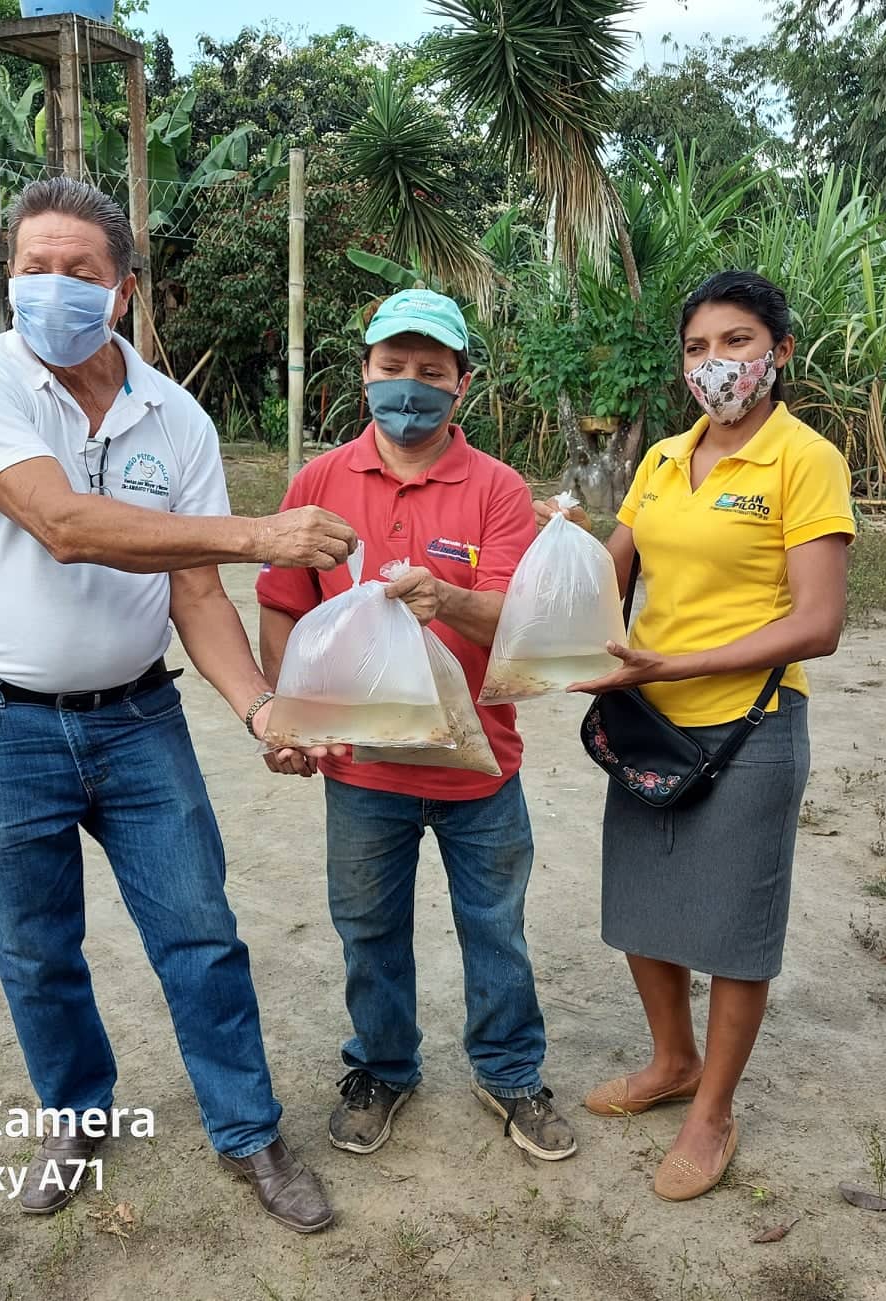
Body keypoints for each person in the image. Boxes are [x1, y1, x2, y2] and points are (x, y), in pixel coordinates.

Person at [0, 176, 357, 1233]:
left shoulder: (177, 418)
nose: (53, 286)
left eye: (79, 270)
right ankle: (75, 1115)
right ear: (8, 276)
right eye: (33, 267)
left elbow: (195, 593)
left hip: (136, 720)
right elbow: (65, 523)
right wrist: (261, 534)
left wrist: (262, 710)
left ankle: (248, 1130)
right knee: (36, 948)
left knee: (200, 931)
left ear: (121, 289)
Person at [538, 270, 854, 1201]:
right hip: (648, 718)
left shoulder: (805, 459)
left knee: (734, 926)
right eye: (697, 347)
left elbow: (818, 623)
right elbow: (613, 572)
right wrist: (561, 546)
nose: (715, 364)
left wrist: (675, 662)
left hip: (750, 723)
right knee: (644, 902)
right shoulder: (666, 459)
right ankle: (672, 1060)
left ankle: (713, 1110)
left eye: (736, 342)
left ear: (779, 352)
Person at [256, 289, 576, 1162]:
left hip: (480, 766)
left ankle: (509, 1071)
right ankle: (383, 1066)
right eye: (392, 366)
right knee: (368, 930)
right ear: (363, 373)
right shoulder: (320, 483)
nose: (409, 385)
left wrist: (449, 599)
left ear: (461, 383)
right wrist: (289, 716)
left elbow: (516, 616)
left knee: (496, 928)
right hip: (363, 771)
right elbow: (284, 606)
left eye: (431, 370)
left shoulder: (498, 489)